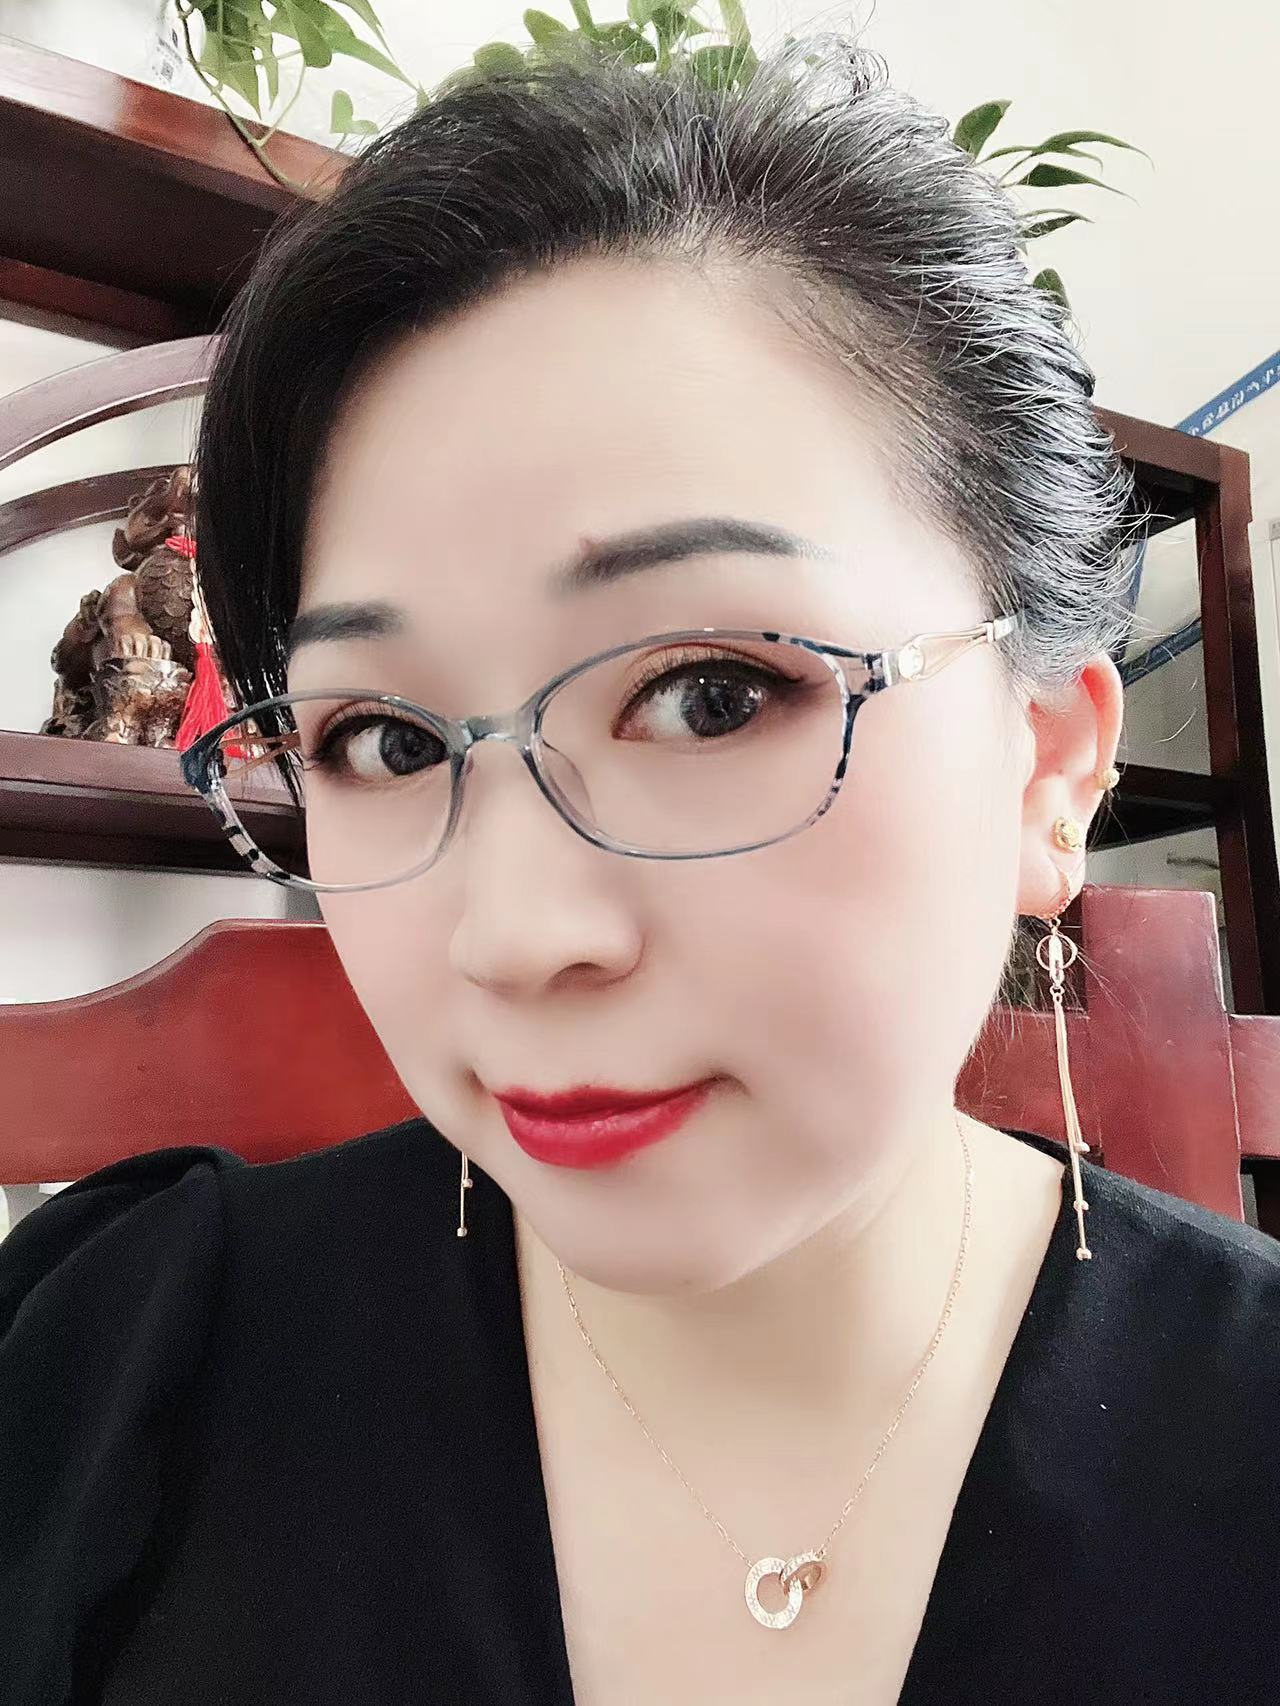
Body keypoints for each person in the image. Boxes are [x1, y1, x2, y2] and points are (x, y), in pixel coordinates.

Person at [2, 34, 1278, 1706]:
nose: (517, 936)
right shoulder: (112, 1366)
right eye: (384, 738)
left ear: (1048, 763)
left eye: (709, 695)